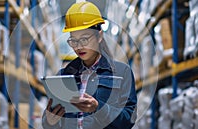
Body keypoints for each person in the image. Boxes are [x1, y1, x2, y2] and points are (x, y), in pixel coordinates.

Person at [42, 1, 137, 129]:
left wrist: (98, 108)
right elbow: (49, 123)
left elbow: (129, 120)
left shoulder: (122, 72)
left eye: (85, 39)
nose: (79, 46)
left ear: (99, 36)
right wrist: (49, 121)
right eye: (73, 40)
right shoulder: (63, 75)